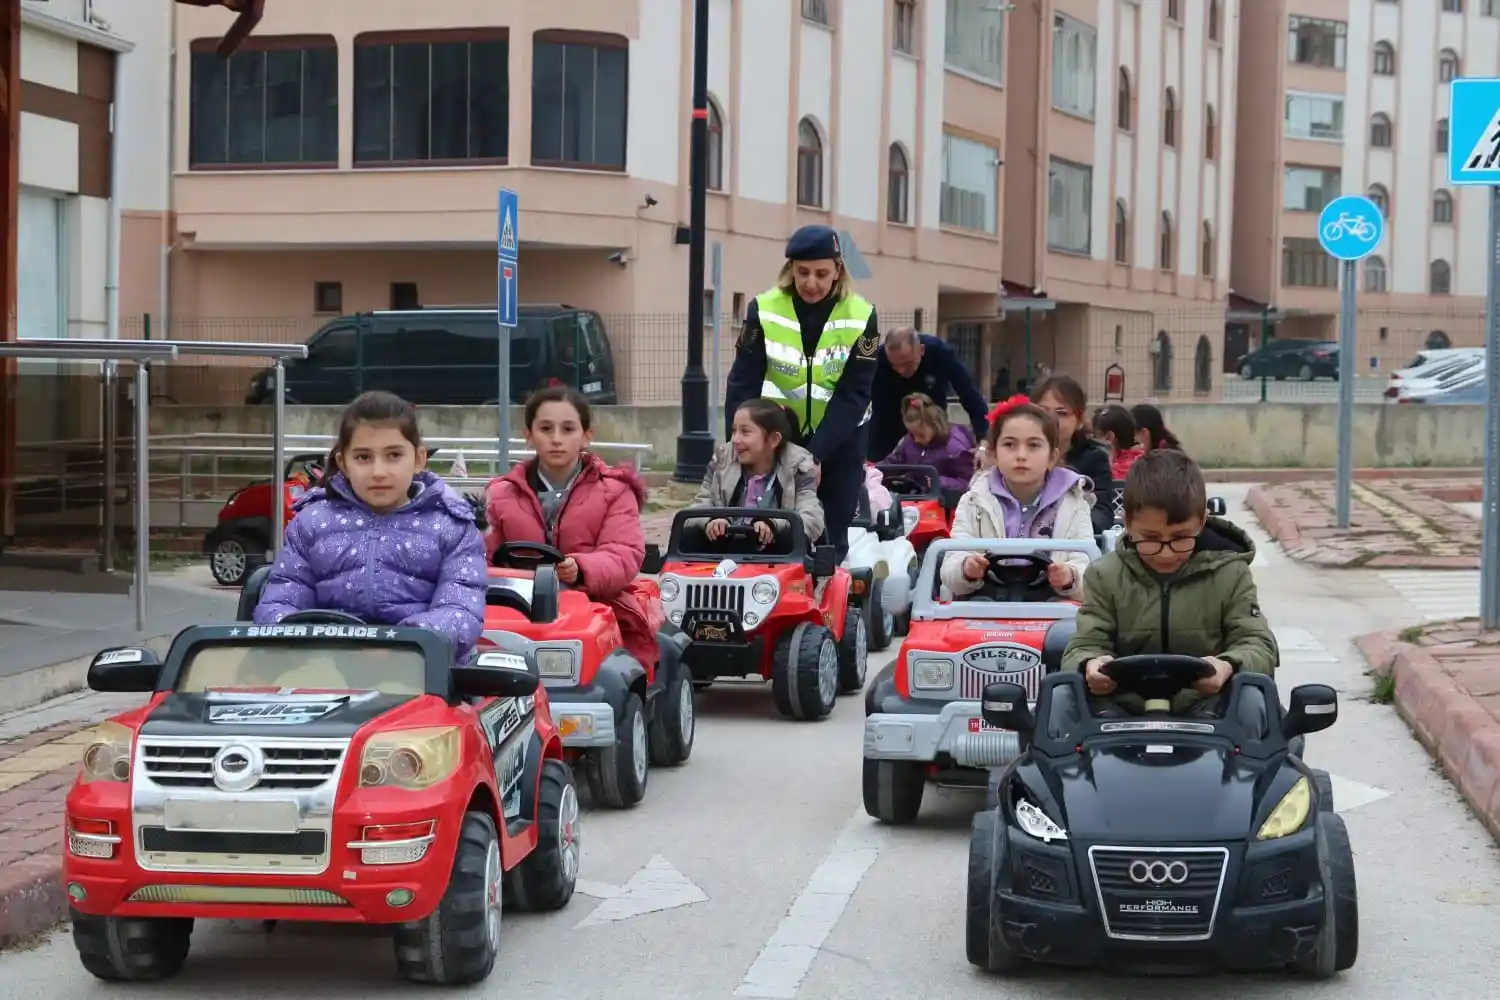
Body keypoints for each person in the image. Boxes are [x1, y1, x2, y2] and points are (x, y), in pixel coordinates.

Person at [253, 390, 487, 660]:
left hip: (425, 672)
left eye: (394, 455)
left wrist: (402, 645)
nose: (378, 471)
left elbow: (460, 612)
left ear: (419, 459)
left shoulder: (453, 527)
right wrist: (304, 638)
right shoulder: (312, 523)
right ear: (343, 462)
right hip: (323, 668)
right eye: (364, 457)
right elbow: (280, 602)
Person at [1061, 449, 1278, 717]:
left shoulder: (1231, 573)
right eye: (1151, 538)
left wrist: (1228, 665)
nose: (1166, 552)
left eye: (1180, 538)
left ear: (1201, 521)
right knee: (1062, 698)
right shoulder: (1104, 575)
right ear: (1127, 523)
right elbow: (1083, 645)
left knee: (1255, 702)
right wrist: (1091, 664)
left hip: (1211, 708)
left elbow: (1258, 643)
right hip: (1122, 709)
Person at [723, 224, 877, 560]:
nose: (811, 283)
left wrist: (815, 455)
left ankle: (831, 605)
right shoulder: (762, 309)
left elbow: (855, 393)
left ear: (838, 270)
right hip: (781, 435)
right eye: (802, 272)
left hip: (842, 438)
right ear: (789, 269)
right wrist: (737, 442)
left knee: (830, 534)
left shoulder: (864, 315)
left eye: (822, 273)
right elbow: (743, 381)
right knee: (769, 527)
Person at [482, 386, 660, 671]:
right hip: (515, 607)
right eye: (545, 429)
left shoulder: (614, 490)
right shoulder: (500, 493)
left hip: (595, 605)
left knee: (619, 670)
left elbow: (624, 553)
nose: (556, 439)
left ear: (586, 436)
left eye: (567, 429)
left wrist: (581, 568)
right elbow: (478, 554)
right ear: (528, 435)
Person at [939, 396, 1095, 600]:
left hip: (1051, 601)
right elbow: (952, 562)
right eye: (1010, 445)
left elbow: (1087, 566)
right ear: (994, 454)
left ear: (1052, 457)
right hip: (987, 598)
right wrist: (966, 569)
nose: (1021, 455)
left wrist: (1070, 576)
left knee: (1066, 630)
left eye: (1033, 446)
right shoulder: (974, 501)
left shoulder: (1073, 503)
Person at [688, 398, 825, 546]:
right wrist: (712, 520)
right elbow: (699, 506)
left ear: (773, 440)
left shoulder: (799, 466)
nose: (735, 439)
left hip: (778, 556)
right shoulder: (722, 460)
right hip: (723, 552)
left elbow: (812, 518)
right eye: (734, 431)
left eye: (745, 432)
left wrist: (774, 525)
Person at [868, 327, 990, 460]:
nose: (901, 371)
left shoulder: (940, 353)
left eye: (907, 364)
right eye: (895, 365)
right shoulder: (878, 361)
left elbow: (969, 393)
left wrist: (983, 439)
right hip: (890, 420)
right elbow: (870, 405)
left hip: (933, 421)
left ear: (921, 350)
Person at [1030, 375, 1113, 533]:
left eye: (1062, 413)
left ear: (1080, 420)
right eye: (1042, 411)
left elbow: (1102, 515)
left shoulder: (1094, 458)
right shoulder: (1016, 456)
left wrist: (1061, 526)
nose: (1051, 419)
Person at [881, 392, 978, 494]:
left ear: (934, 425)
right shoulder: (909, 442)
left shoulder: (954, 448)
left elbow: (968, 481)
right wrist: (874, 471)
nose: (916, 440)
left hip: (944, 501)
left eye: (921, 435)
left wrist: (938, 482)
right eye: (912, 434)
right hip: (914, 497)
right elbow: (893, 462)